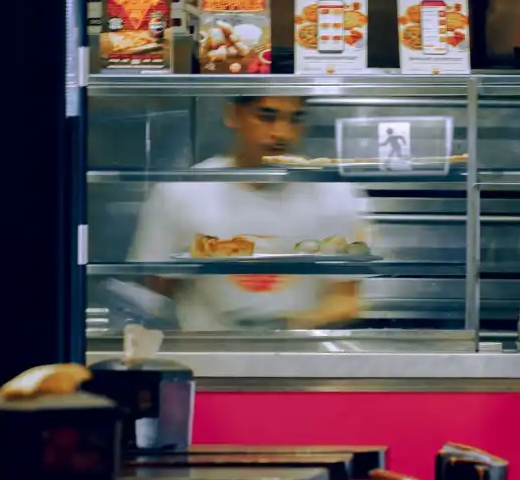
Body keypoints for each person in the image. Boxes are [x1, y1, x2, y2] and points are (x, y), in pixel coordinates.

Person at [128, 95, 369, 331]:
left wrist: (282, 327)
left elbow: (346, 299)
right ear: (233, 115)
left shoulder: (335, 194)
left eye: (295, 119)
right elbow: (151, 296)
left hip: (305, 357)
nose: (282, 133)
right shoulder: (181, 192)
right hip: (208, 356)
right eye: (266, 117)